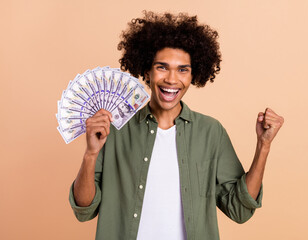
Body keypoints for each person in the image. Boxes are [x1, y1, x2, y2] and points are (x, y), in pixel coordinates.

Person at [69, 11, 284, 240]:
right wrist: (91, 154)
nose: (172, 79)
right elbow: (84, 209)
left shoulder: (211, 132)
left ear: (193, 75)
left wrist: (264, 146)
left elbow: (239, 210)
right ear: (147, 71)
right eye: (162, 67)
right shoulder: (116, 130)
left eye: (183, 69)